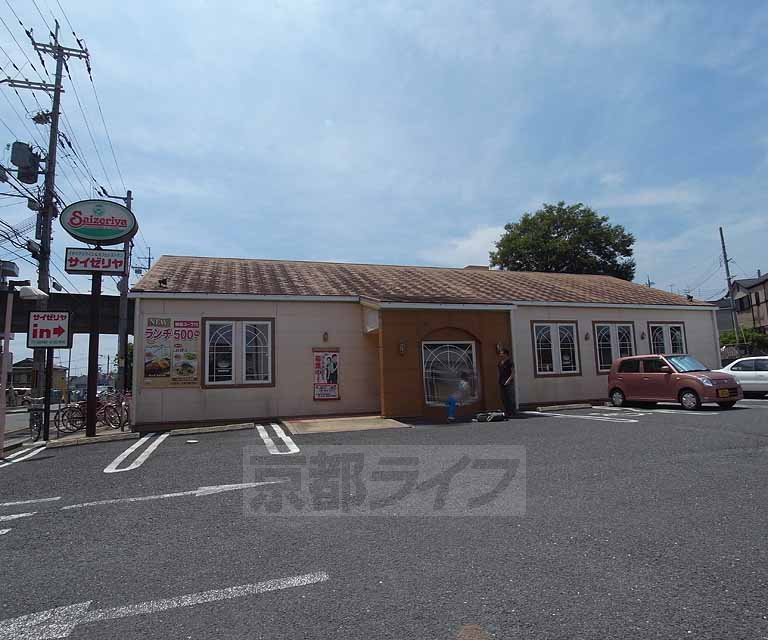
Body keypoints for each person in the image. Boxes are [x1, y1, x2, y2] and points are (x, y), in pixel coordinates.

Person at [497, 348, 516, 417]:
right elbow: (500, 372)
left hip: (508, 382)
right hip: (501, 382)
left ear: (506, 354)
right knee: (503, 398)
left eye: (502, 353)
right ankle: (506, 412)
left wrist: (508, 381)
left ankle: (512, 412)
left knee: (510, 397)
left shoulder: (510, 362)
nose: (500, 354)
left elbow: (513, 373)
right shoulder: (500, 362)